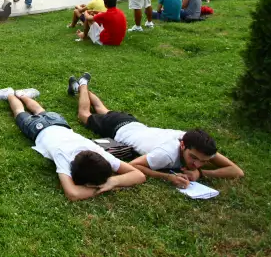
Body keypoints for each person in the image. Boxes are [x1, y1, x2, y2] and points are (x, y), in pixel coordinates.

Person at [74, 78, 244, 187]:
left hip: (135, 125)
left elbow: (237, 171)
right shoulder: (167, 154)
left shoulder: (201, 147)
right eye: (193, 158)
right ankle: (82, 84)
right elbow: (134, 166)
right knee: (85, 115)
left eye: (203, 161)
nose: (197, 163)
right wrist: (167, 177)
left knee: (104, 110)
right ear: (182, 145)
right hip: (118, 129)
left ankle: (80, 87)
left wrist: (201, 173)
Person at [0, 86, 145, 200]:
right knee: (20, 113)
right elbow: (72, 193)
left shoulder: (97, 151)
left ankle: (21, 94)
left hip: (59, 122)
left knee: (40, 111)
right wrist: (106, 186)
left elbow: (139, 175)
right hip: (38, 130)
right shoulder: (63, 156)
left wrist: (113, 181)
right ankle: (10, 94)